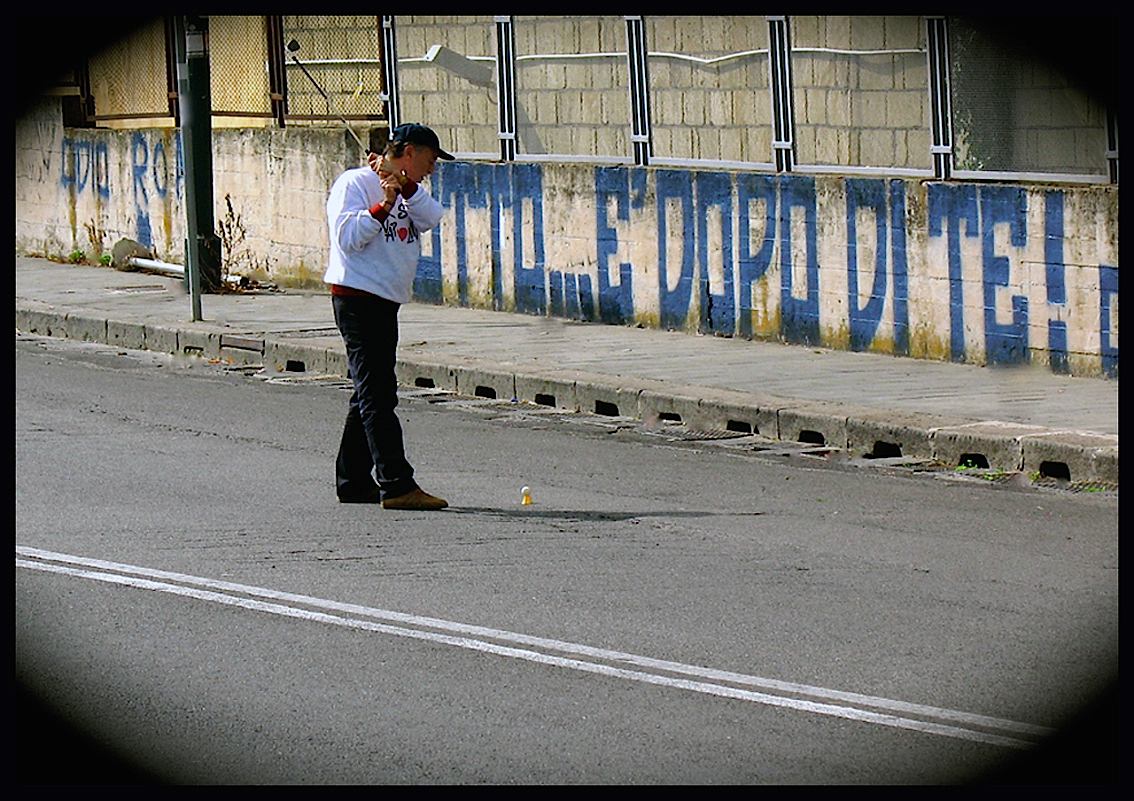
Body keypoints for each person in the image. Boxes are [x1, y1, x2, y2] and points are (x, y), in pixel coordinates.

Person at [323, 123, 455, 510]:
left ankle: (352, 482)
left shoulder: (412, 191)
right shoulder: (355, 183)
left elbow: (432, 216)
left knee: (368, 391)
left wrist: (405, 188)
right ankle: (396, 483)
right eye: (428, 160)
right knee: (378, 395)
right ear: (409, 152)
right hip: (358, 298)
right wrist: (382, 204)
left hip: (385, 299)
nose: (430, 170)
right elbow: (347, 238)